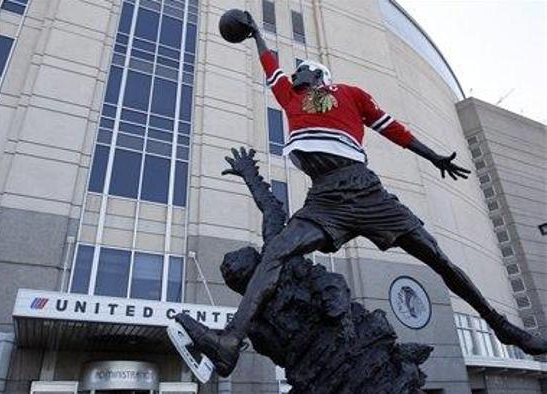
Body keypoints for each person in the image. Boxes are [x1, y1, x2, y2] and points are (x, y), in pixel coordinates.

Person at [175, 11, 547, 377]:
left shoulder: (350, 94)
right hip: (325, 199)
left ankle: (502, 326)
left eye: (305, 66)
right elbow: (269, 65)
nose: (298, 69)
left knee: (437, 257)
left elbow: (392, 129)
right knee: (276, 252)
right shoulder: (289, 96)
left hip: (364, 190)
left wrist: (434, 156)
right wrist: (256, 32)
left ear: (321, 75)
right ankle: (229, 342)